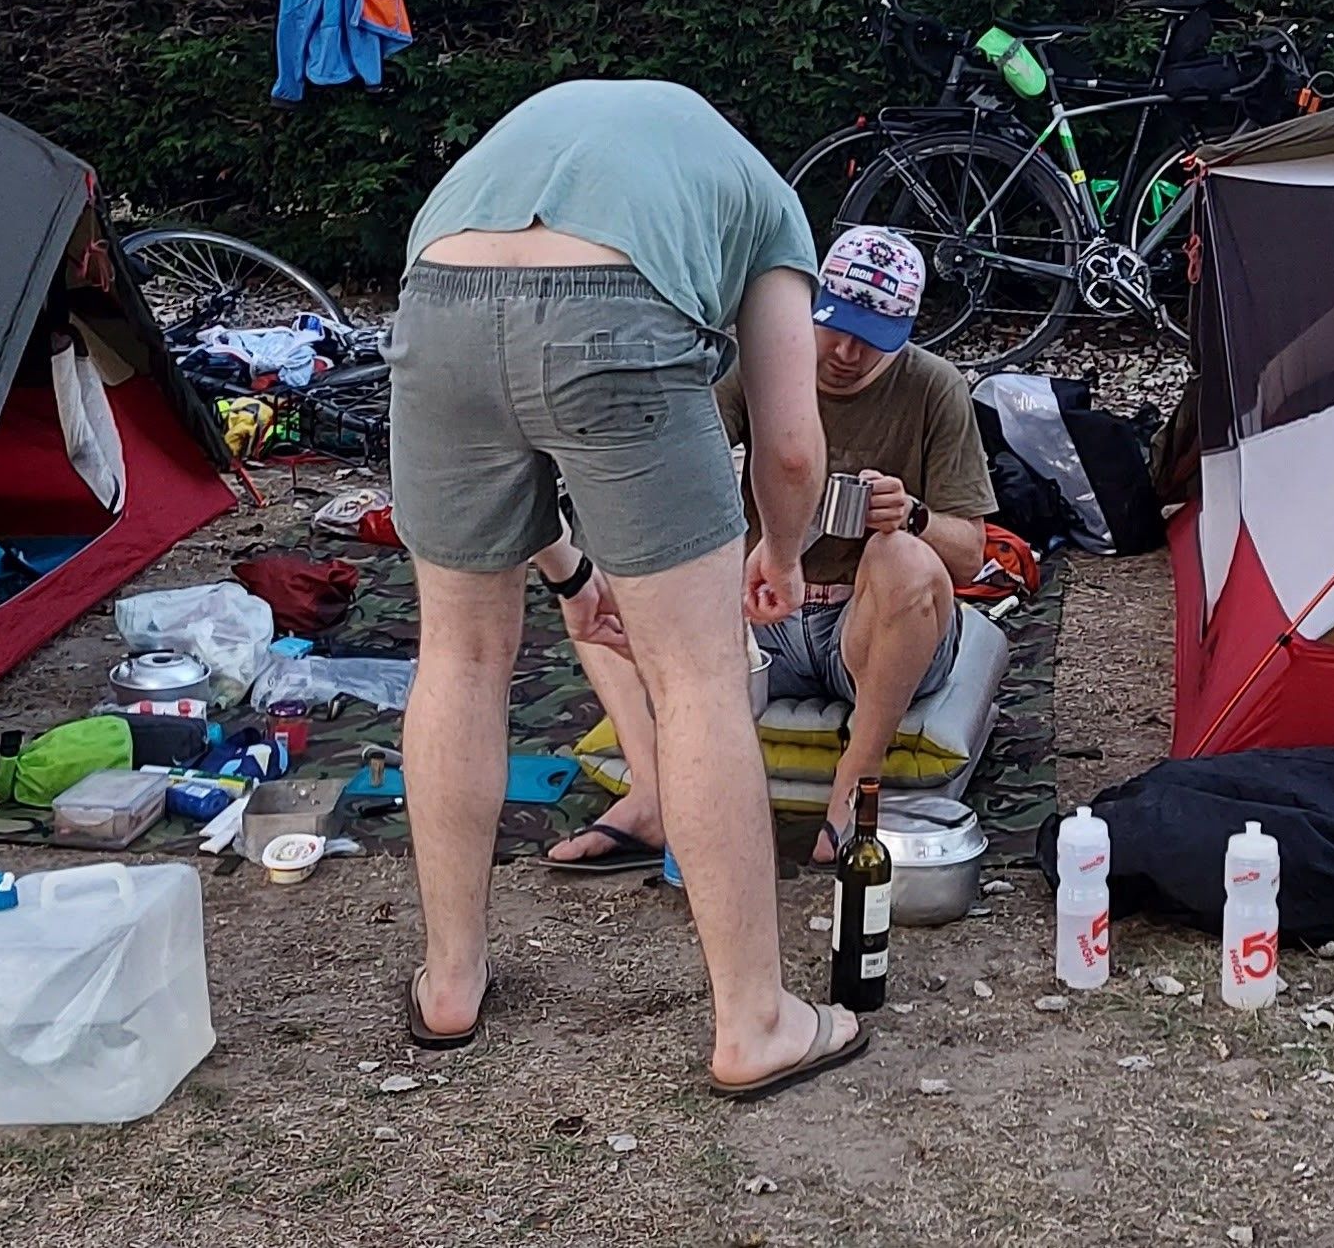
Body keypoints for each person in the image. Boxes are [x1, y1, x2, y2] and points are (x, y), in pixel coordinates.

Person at [387, 77, 870, 1099]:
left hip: (434, 300)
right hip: (617, 304)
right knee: (696, 676)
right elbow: (789, 449)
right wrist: (781, 555)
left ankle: (449, 979)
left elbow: (508, 352)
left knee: (460, 654)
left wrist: (565, 567)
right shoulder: (764, 197)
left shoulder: (539, 127)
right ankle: (753, 1019)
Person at [540, 224, 1000, 870]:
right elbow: (675, 470)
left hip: (866, 627)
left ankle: (851, 793)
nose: (843, 352)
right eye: (833, 327)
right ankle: (652, 795)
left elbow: (972, 552)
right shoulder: (763, 363)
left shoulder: (935, 388)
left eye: (870, 343)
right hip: (766, 614)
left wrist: (914, 515)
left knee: (905, 558)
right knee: (601, 575)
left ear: (904, 335)